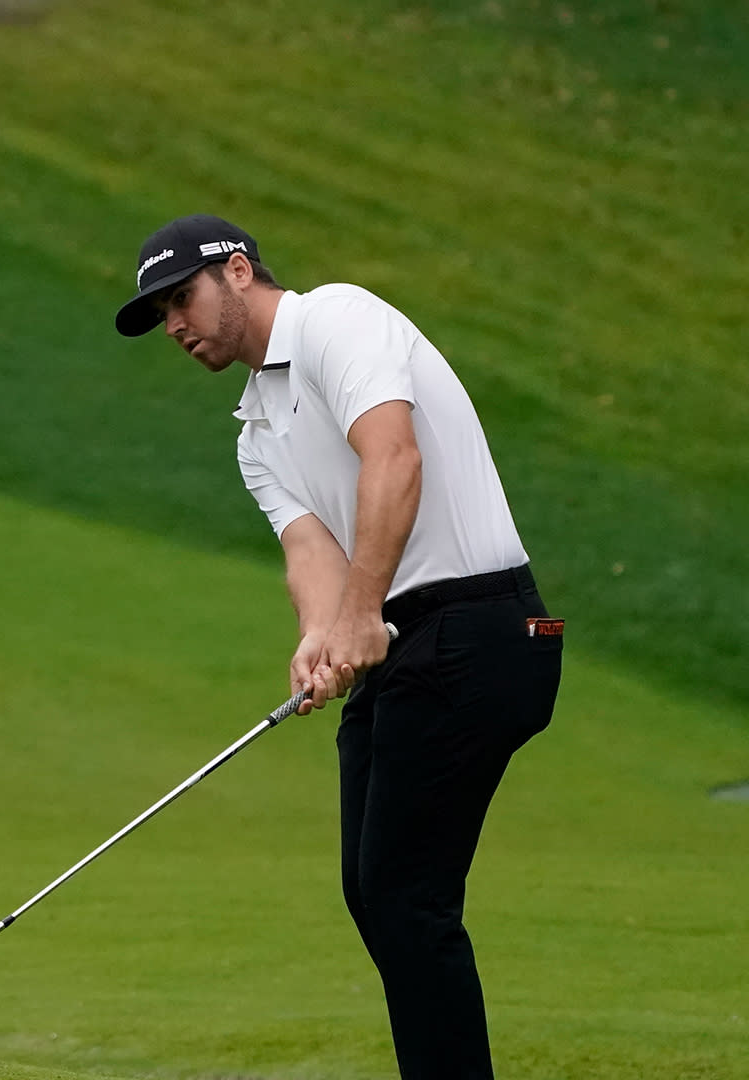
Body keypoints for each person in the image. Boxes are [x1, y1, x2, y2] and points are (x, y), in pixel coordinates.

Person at [115, 215, 563, 1078]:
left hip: (483, 627)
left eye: (182, 299)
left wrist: (361, 615)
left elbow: (393, 459)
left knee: (403, 894)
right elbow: (308, 552)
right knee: (378, 893)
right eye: (162, 315)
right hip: (411, 645)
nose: (175, 325)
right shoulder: (255, 433)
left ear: (238, 272)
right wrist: (322, 635)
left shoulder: (338, 321)